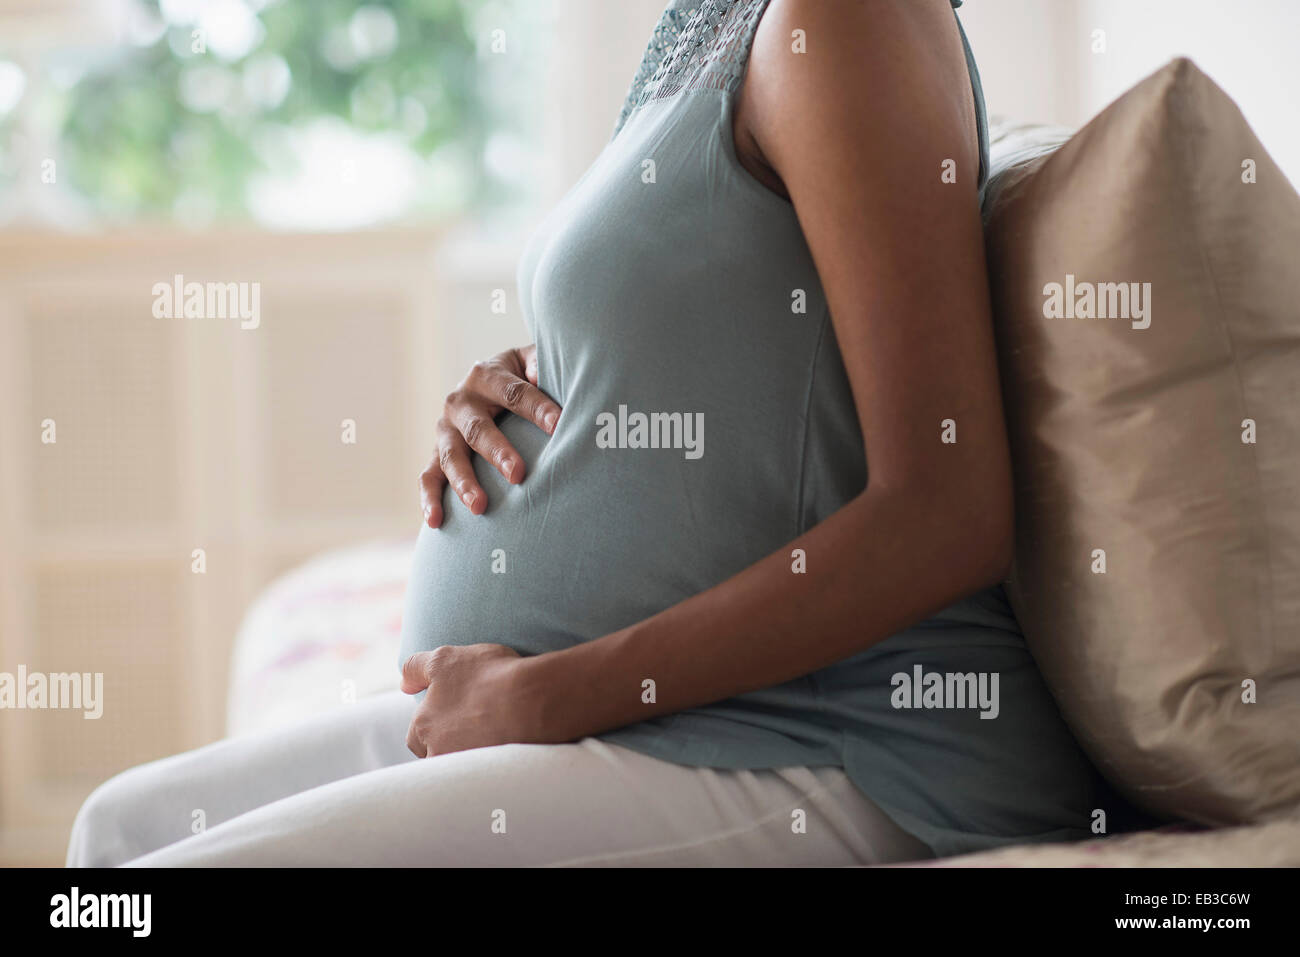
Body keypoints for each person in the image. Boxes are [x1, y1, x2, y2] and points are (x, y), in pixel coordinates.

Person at [68, 0, 1099, 867]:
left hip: (835, 741)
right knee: (113, 835)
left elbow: (948, 512)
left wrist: (549, 696)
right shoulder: (710, 25)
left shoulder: (845, 20)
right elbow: (728, 344)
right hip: (657, 717)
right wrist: (522, 382)